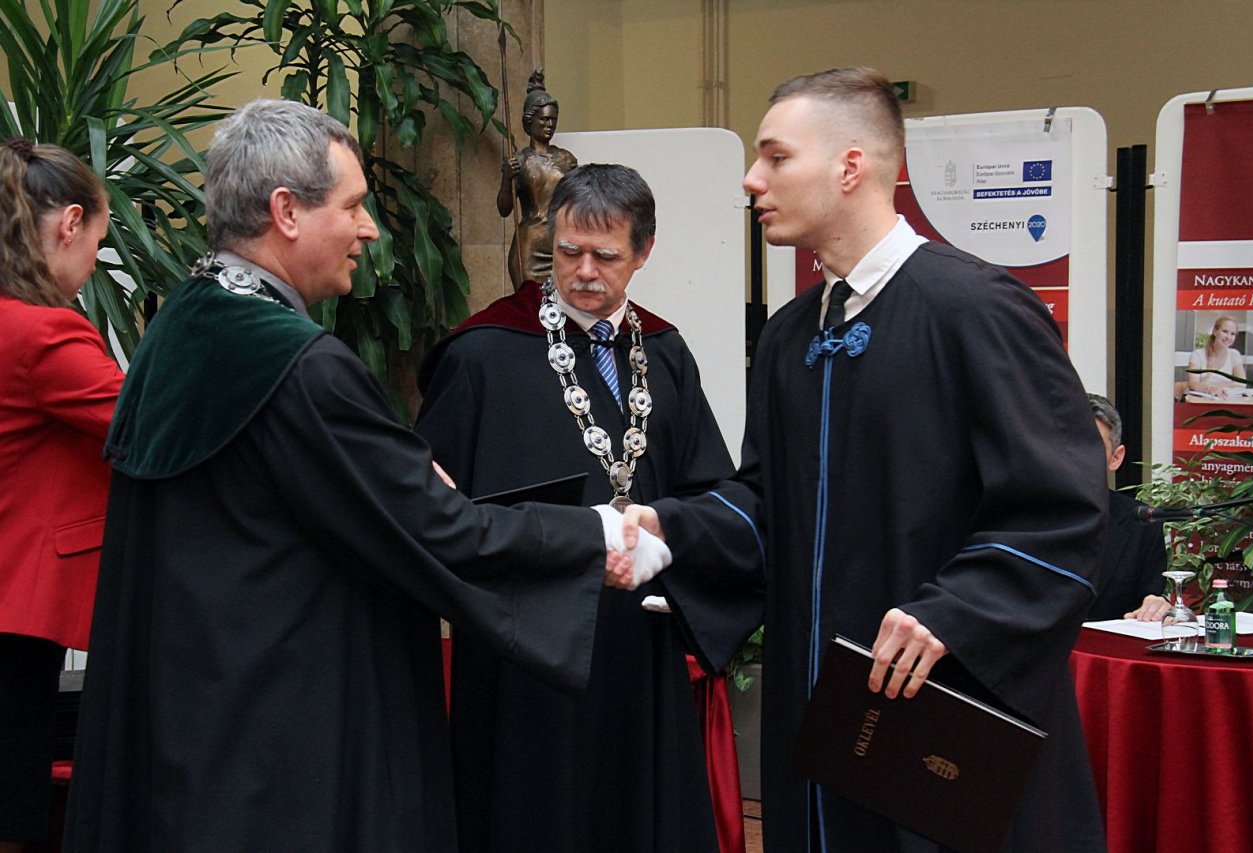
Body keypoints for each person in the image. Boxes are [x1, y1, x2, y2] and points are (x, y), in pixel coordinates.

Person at [63, 99, 668, 853]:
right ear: (287, 211)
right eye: (352, 206)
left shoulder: (184, 324)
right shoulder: (296, 365)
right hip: (284, 739)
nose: (370, 228)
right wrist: (595, 533)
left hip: (194, 717)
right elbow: (433, 527)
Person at [622, 67, 1108, 852]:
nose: (752, 179)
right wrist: (669, 526)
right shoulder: (790, 336)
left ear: (850, 166)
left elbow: (1063, 505)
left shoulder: (977, 309)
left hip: (942, 708)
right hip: (817, 717)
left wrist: (955, 611)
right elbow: (768, 504)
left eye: (776, 156)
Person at [417, 163, 763, 853]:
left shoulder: (663, 352)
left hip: (639, 642)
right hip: (526, 649)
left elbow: (712, 487)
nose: (581, 272)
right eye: (568, 250)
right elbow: (431, 504)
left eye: (604, 256)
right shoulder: (482, 352)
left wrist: (670, 535)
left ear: (643, 251)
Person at [0, 139, 122, 853]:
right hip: (14, 606)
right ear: (70, 223)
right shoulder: (41, 331)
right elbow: (149, 423)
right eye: (99, 243)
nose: (93, 266)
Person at [1086, 394, 1169, 621]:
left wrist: (1156, 607)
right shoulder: (1017, 517)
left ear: (1115, 458)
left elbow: (1148, 602)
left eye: (1091, 444)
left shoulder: (1141, 522)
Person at [497, 69, 578, 288]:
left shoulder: (567, 159)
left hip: (562, 244)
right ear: (530, 121)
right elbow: (504, 209)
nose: (549, 125)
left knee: (563, 303)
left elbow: (578, 203)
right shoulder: (520, 160)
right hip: (530, 247)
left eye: (553, 119)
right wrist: (507, 179)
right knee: (530, 303)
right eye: (544, 119)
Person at [1186, 314, 1246, 398]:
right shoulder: (1197, 354)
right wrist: (1210, 388)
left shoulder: (1235, 355)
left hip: (1226, 400)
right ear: (1215, 331)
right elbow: (1193, 384)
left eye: (1232, 334)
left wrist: (1217, 387)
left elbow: (1242, 383)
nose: (1228, 337)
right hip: (1202, 400)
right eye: (1225, 331)